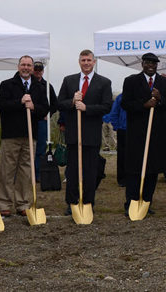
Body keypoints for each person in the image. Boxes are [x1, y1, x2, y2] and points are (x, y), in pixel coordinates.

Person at [57, 49, 112, 214]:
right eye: (83, 60)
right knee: (72, 170)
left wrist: (86, 108)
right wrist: (73, 102)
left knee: (90, 170)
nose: (86, 63)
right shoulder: (69, 81)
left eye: (89, 60)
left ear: (94, 62)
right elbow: (59, 103)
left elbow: (107, 106)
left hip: (91, 134)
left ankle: (88, 202)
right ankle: (72, 202)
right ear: (79, 62)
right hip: (74, 133)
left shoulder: (104, 82)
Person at [0, 55, 49, 217]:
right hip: (11, 134)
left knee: (26, 171)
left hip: (30, 135)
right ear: (18, 66)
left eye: (29, 65)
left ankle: (23, 203)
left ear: (33, 68)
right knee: (7, 170)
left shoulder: (39, 87)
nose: (26, 68)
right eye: (23, 64)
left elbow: (45, 109)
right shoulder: (7, 85)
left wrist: (33, 107)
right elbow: (1, 105)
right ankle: (4, 203)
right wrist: (20, 101)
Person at [121, 53, 166, 215]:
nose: (151, 65)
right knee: (134, 168)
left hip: (157, 133)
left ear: (158, 65)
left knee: (152, 169)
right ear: (142, 64)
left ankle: (147, 202)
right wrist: (144, 104)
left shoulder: (164, 82)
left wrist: (160, 98)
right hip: (137, 132)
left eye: (154, 63)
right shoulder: (131, 81)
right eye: (148, 62)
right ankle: (131, 202)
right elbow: (125, 103)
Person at [32, 61, 57, 182]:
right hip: (27, 121)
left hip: (41, 121)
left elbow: (55, 103)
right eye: (35, 70)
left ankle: (38, 173)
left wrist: (49, 114)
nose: (37, 72)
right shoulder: (27, 84)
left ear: (42, 71)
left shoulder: (47, 86)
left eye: (39, 70)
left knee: (41, 149)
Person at [103, 93, 126, 187]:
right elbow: (115, 112)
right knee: (122, 155)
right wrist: (117, 126)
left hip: (136, 130)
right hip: (122, 129)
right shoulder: (121, 97)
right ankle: (122, 179)